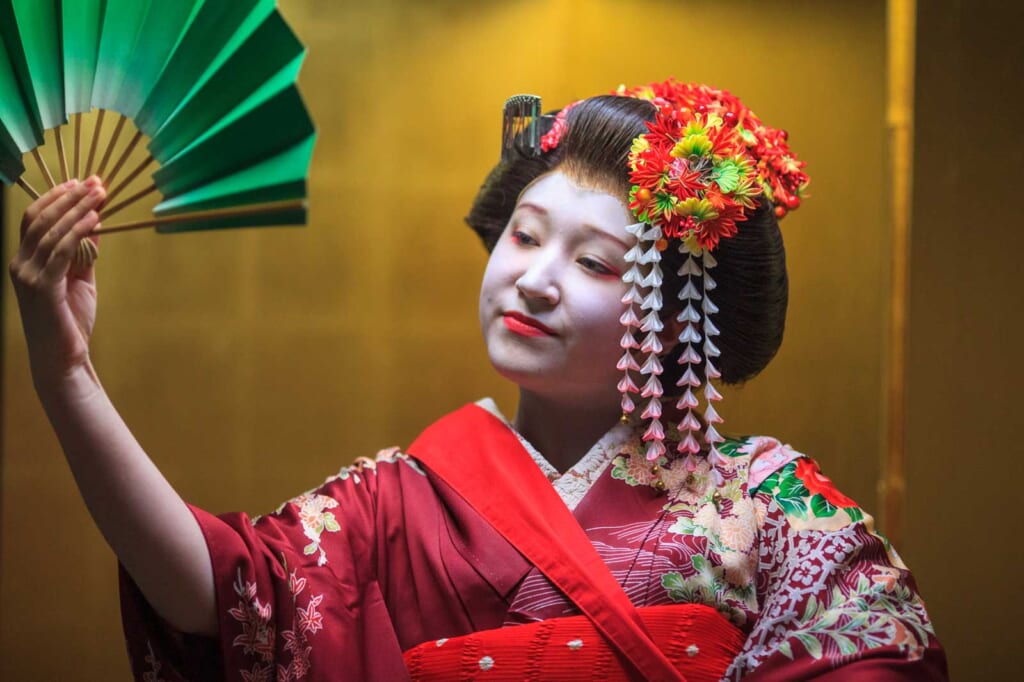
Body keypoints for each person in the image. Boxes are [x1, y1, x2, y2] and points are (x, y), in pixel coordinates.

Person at [8, 80, 948, 681]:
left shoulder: (770, 506)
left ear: (677, 319)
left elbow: (880, 656)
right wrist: (68, 375)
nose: (533, 278)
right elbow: (226, 595)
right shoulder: (396, 500)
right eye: (524, 236)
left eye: (595, 262)